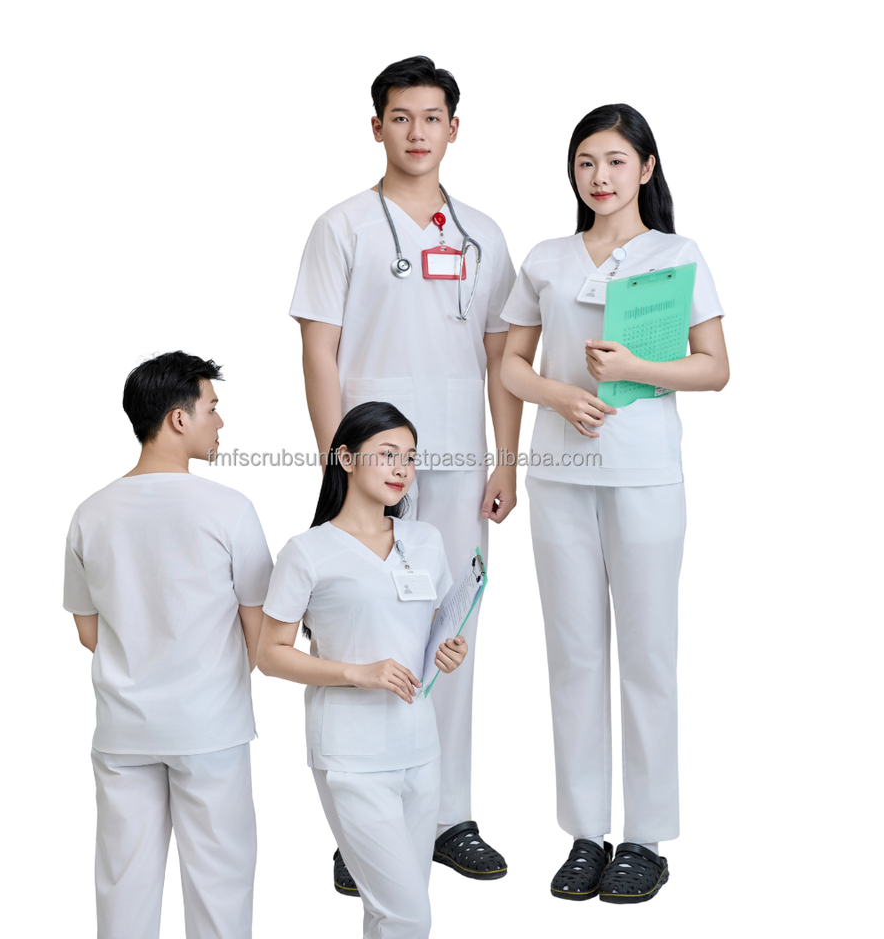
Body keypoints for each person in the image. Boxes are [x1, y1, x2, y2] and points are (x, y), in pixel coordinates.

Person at [290, 54, 520, 888]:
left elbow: (501, 356)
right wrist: (340, 463)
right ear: (376, 126)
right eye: (400, 117)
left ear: (453, 129)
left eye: (431, 118)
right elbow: (319, 351)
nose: (416, 132)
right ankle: (363, 827)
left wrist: (506, 459)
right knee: (362, 630)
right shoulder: (343, 227)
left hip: (458, 458)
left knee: (450, 631)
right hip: (371, 462)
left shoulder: (483, 235)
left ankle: (446, 816)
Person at [500, 104, 729, 903]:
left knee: (647, 656)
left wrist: (637, 367)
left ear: (647, 169)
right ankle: (585, 832)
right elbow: (510, 366)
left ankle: (645, 839)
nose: (599, 177)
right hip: (560, 479)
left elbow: (715, 367)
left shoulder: (676, 255)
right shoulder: (547, 258)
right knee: (573, 657)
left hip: (643, 477)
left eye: (616, 162)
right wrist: (559, 395)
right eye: (586, 163)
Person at [63, 351, 274, 938]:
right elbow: (261, 637)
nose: (220, 422)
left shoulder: (90, 513)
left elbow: (87, 631)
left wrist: (144, 655)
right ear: (179, 419)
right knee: (220, 890)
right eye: (212, 408)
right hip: (210, 728)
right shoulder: (230, 510)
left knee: (123, 890)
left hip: (123, 730)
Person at [258, 401, 469, 939]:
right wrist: (359, 673)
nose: (402, 469)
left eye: (410, 457)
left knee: (390, 911)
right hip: (351, 755)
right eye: (387, 454)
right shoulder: (307, 552)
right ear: (346, 459)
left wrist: (451, 650)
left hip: (420, 747)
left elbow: (438, 626)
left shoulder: (425, 541)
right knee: (408, 915)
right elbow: (270, 653)